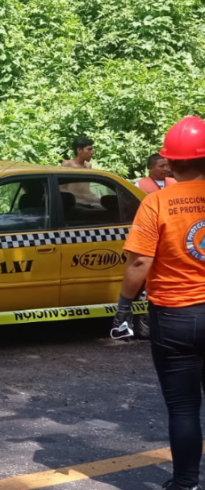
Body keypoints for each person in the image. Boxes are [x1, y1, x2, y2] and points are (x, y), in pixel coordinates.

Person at [113, 116, 205, 490]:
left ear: (169, 162)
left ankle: (185, 484)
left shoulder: (156, 204)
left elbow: (139, 262)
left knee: (183, 407)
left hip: (175, 317)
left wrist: (122, 309)